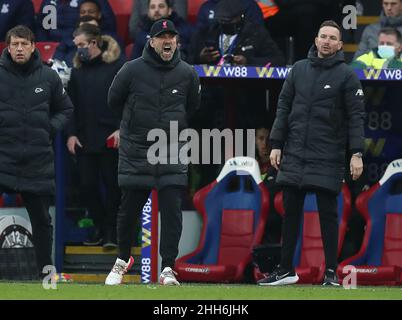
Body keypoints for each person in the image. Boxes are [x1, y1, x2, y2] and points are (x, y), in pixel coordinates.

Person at [257, 20, 365, 286]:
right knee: (290, 212)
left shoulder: (347, 75)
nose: (326, 41)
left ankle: (330, 273)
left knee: (328, 215)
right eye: (322, 36)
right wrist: (277, 144)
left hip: (327, 154)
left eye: (332, 38)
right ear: (316, 40)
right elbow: (283, 108)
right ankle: (285, 270)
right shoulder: (298, 70)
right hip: (294, 152)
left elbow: (356, 117)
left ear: (340, 45)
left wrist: (357, 153)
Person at [105, 19, 201, 286]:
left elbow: (192, 106)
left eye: (172, 36)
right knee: (128, 213)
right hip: (137, 152)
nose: (167, 40)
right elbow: (113, 101)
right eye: (162, 36)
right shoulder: (130, 70)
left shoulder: (187, 73)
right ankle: (122, 260)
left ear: (177, 42)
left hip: (171, 151)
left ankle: (168, 267)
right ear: (152, 41)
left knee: (173, 214)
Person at [0, 25, 73, 278]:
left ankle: (46, 275)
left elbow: (66, 109)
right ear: (7, 48)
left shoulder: (49, 77)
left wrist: (49, 129)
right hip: (3, 158)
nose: (19, 48)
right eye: (15, 44)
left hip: (37, 160)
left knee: (42, 221)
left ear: (33, 47)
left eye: (24, 44)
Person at [66, 24, 123, 248]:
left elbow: (128, 102)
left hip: (111, 137)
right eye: (76, 46)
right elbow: (70, 105)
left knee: (113, 186)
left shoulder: (117, 67)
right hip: (85, 138)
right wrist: (70, 134)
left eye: (81, 45)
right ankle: (100, 226)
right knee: (87, 186)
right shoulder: (77, 71)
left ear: (94, 43)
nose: (78, 49)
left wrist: (121, 128)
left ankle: (112, 232)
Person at [36, 0, 117, 66]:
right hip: (55, 46)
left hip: (79, 44)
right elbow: (40, 27)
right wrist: (47, 45)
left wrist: (90, 36)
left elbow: (109, 25)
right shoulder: (47, 2)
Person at [195, 0, 264, 32]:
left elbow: (258, 31)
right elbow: (199, 32)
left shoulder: (249, 5)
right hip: (213, 50)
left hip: (243, 47)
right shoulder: (206, 6)